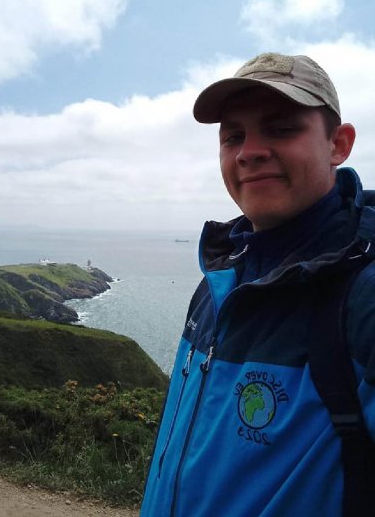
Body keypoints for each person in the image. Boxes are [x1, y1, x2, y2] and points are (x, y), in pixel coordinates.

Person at [140, 52, 375, 516]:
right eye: (233, 137)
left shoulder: (362, 295)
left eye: (281, 128)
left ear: (338, 144)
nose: (249, 151)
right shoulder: (217, 281)